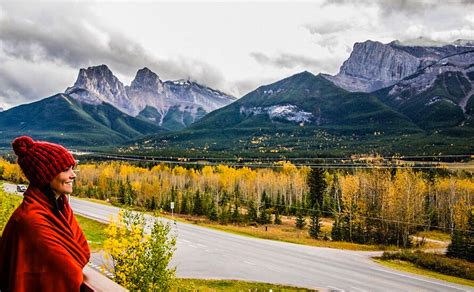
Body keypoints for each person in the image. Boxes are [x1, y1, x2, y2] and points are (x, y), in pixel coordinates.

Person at [0, 136, 90, 292]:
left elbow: (82, 252)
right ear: (46, 177)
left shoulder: (60, 207)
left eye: (72, 168)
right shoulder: (31, 219)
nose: (73, 175)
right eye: (65, 169)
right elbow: (69, 272)